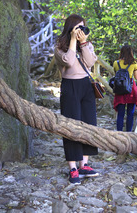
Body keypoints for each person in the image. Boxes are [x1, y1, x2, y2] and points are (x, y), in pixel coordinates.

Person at [54, 14, 100, 185]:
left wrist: (83, 43)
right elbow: (69, 61)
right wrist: (73, 40)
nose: (81, 31)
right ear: (70, 28)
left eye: (83, 27)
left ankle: (84, 164)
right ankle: (73, 167)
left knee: (88, 124)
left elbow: (90, 61)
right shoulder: (60, 47)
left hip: (85, 87)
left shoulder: (86, 45)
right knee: (71, 126)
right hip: (69, 87)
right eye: (77, 28)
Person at [113, 45, 137, 132]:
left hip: (120, 89)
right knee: (130, 114)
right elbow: (136, 77)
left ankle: (119, 133)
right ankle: (129, 133)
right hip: (131, 89)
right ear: (131, 53)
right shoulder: (134, 63)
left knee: (120, 114)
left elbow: (116, 74)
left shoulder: (116, 63)